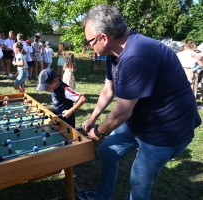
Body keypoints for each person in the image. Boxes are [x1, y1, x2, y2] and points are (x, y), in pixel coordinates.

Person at [77, 5, 201, 200]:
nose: (89, 46)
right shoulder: (113, 53)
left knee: (139, 180)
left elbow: (122, 112)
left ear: (104, 38)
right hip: (141, 121)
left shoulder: (137, 55)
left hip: (167, 129)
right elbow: (109, 89)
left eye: (89, 41)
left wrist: (99, 131)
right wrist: (93, 117)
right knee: (107, 152)